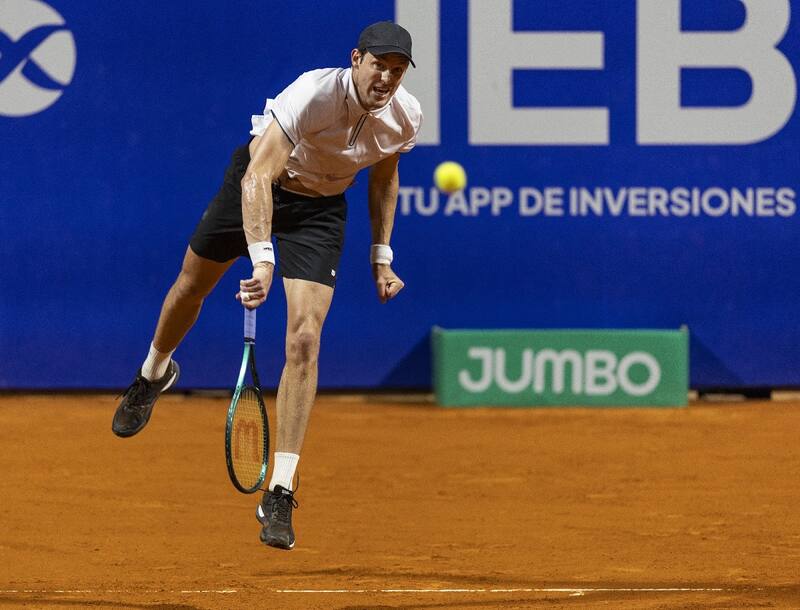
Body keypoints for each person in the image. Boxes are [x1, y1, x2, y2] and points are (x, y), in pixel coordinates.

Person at [111, 21, 422, 550]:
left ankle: (280, 489)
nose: (387, 79)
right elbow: (258, 177)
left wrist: (381, 255)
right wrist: (261, 259)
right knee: (193, 284)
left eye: (397, 71)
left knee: (304, 338)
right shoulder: (312, 93)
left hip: (321, 211)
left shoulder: (404, 116)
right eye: (379, 66)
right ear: (356, 60)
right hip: (260, 182)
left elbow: (384, 175)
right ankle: (153, 373)